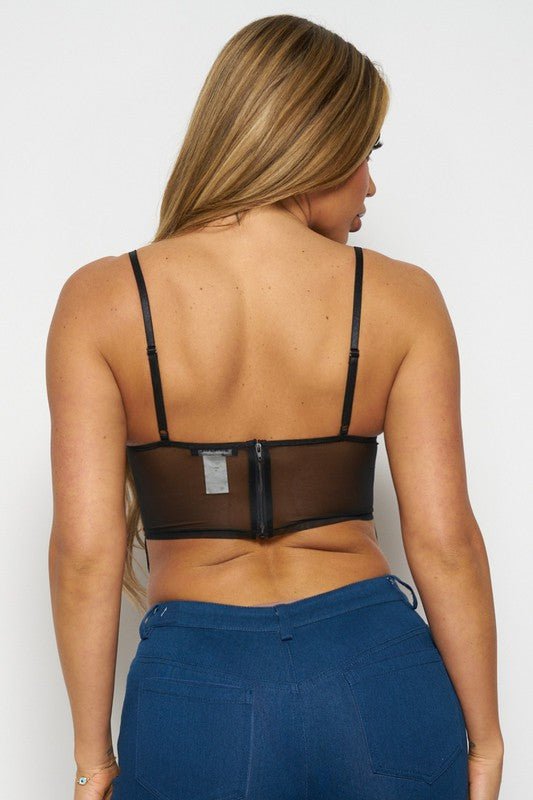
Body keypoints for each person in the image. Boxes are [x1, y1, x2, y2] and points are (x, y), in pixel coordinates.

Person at [46, 13, 504, 800]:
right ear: (309, 140)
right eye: (365, 152)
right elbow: (445, 543)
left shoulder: (103, 301)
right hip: (377, 681)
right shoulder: (401, 299)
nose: (370, 185)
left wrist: (93, 759)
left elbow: (86, 554)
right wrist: (486, 740)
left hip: (195, 699)